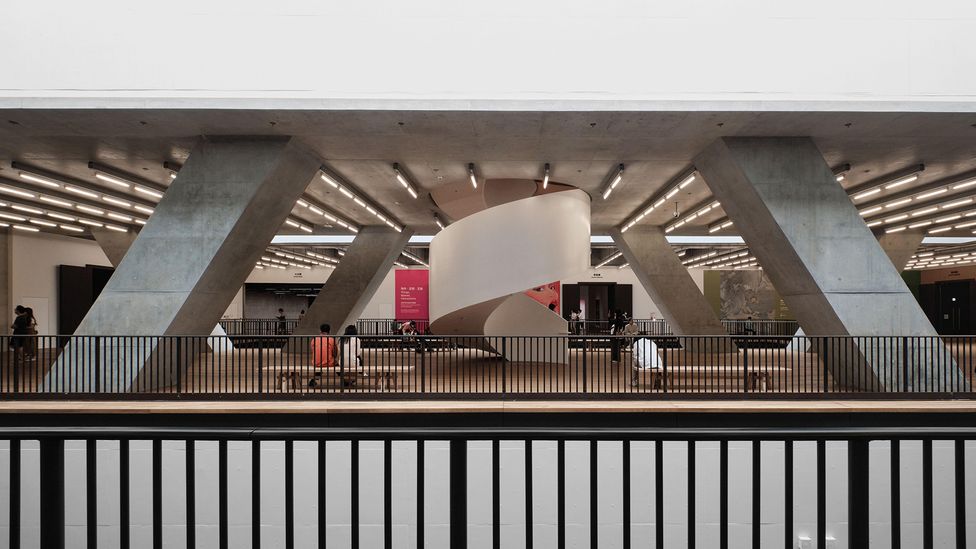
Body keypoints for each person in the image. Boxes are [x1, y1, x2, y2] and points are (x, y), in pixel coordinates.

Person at [308, 323, 337, 387]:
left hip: (316, 362)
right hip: (328, 362)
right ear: (329, 331)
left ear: (320, 331)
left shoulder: (314, 339)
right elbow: (335, 353)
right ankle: (345, 380)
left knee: (321, 363)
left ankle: (313, 380)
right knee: (337, 364)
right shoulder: (331, 339)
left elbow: (313, 350)